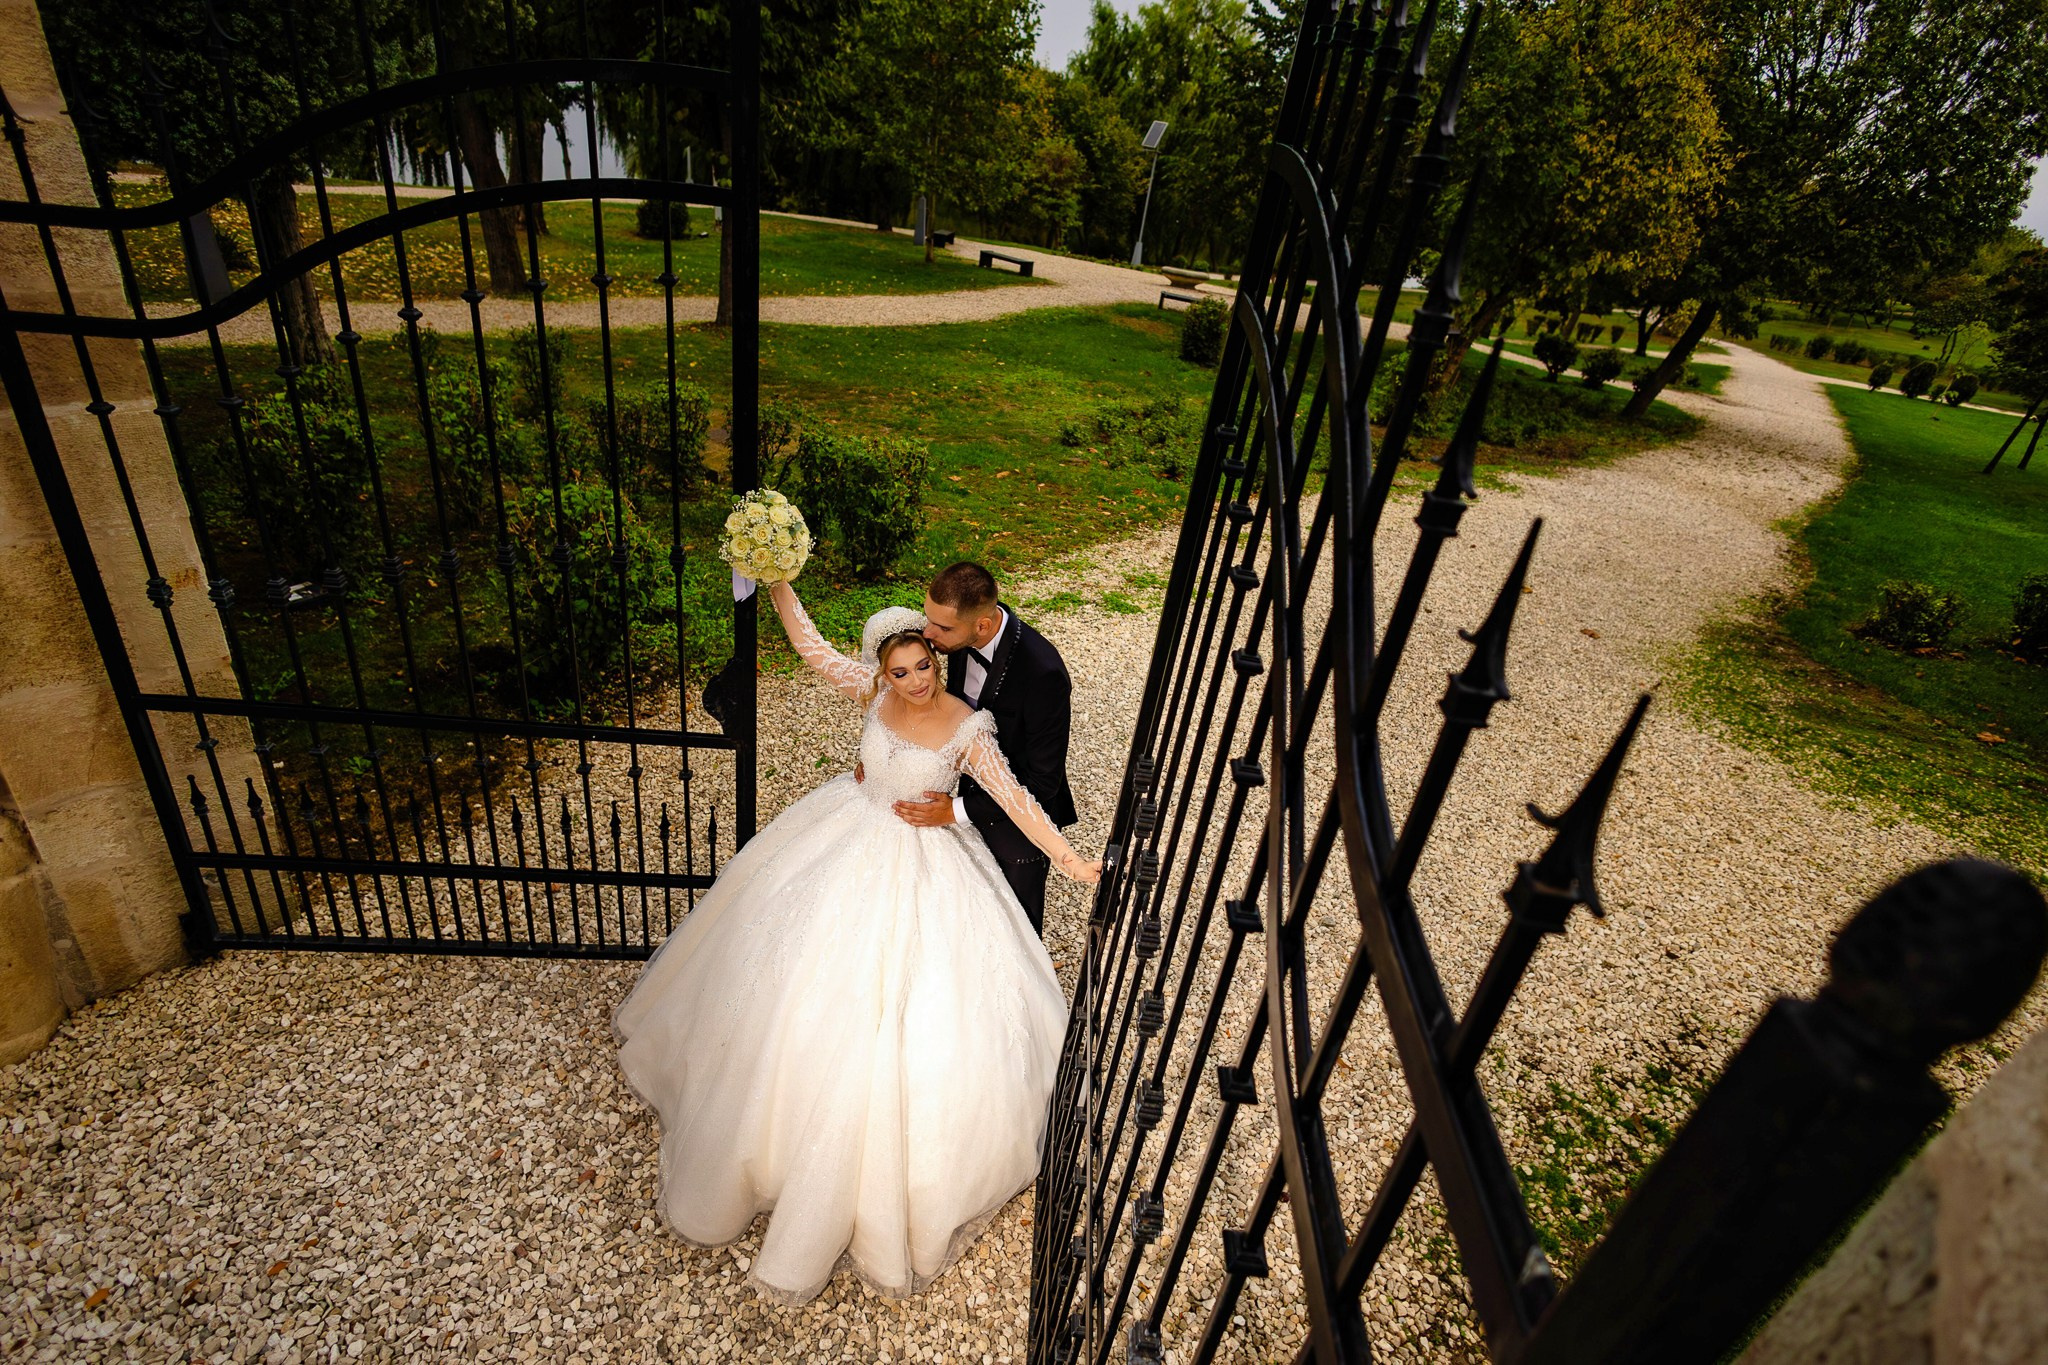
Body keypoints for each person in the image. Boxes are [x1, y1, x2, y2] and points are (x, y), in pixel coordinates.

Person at [614, 576, 1100, 1306]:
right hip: (844, 835)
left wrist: (1069, 861)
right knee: (788, 976)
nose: (911, 681)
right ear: (883, 670)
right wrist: (776, 576)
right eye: (899, 670)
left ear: (938, 662)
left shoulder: (969, 727)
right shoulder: (872, 692)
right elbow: (811, 649)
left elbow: (1018, 800)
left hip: (924, 864)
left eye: (923, 666)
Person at [886, 562, 1077, 937]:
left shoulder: (1042, 673)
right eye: (929, 619)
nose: (928, 633)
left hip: (1018, 812)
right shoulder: (953, 639)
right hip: (962, 786)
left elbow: (1043, 781)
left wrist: (954, 811)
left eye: (941, 627)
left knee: (1015, 925)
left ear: (983, 626)